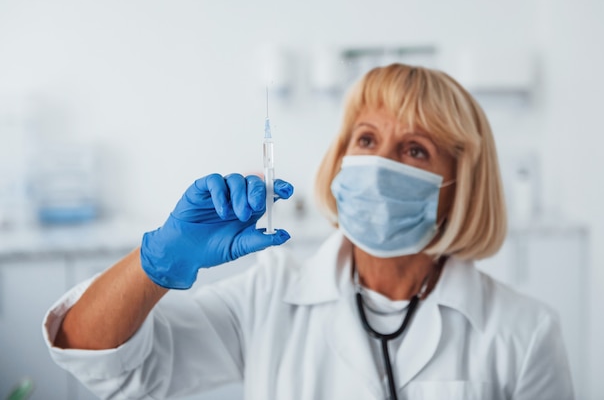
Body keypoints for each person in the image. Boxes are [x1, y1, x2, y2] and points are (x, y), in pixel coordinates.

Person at [43, 64, 574, 400]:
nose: (379, 163)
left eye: (415, 150)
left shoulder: (523, 333)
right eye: (366, 139)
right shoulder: (270, 294)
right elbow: (96, 357)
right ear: (341, 158)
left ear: (458, 188)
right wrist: (159, 261)